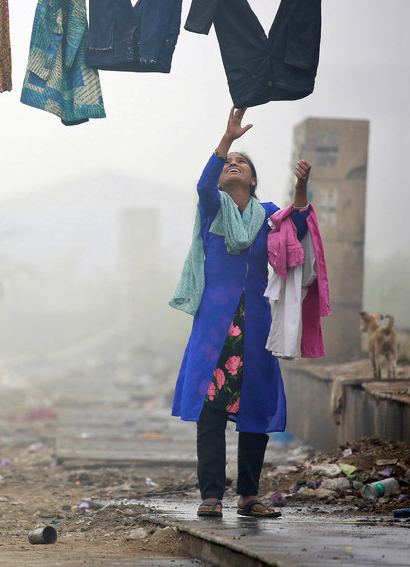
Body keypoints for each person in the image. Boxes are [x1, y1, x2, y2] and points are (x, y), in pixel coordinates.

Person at [170, 107, 312, 519]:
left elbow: (298, 227)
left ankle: (249, 495)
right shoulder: (212, 211)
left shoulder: (267, 215)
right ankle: (211, 495)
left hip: (255, 327)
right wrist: (227, 140)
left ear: (252, 181)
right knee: (210, 414)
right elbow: (201, 184)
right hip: (213, 328)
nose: (233, 165)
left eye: (242, 164)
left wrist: (301, 188)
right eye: (228, 164)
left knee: (256, 409)